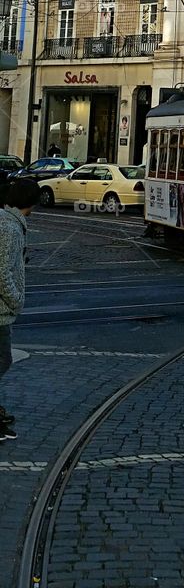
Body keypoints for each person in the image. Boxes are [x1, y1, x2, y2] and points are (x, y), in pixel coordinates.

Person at [0, 178, 41, 441]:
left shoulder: (9, 222)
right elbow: (2, 271)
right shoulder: (9, 228)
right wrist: (16, 299)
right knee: (2, 360)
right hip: (1, 309)